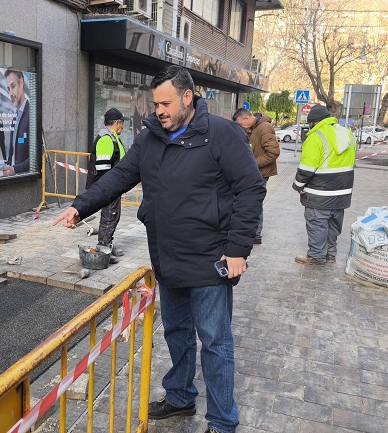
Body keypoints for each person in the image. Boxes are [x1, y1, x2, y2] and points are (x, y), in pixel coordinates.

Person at [53, 65, 265, 433]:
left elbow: (251, 190)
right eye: (156, 104)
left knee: (215, 342)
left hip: (210, 261)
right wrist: (79, 205)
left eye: (166, 103)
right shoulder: (150, 138)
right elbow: (118, 177)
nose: (159, 110)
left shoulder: (223, 134)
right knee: (177, 333)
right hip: (167, 259)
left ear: (188, 97)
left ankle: (222, 421)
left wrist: (237, 250)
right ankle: (180, 397)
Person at [292, 104, 356, 266]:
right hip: (342, 191)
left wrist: (298, 186)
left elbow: (306, 168)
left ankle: (316, 256)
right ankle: (330, 254)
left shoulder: (316, 137)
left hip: (320, 193)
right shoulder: (347, 133)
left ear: (313, 122)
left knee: (317, 224)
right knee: (333, 224)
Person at [232, 108, 280, 244]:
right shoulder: (253, 128)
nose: (241, 127)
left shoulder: (264, 127)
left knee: (255, 202)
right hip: (254, 172)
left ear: (246, 119)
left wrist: (252, 163)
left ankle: (256, 235)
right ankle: (253, 233)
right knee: (251, 202)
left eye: (240, 124)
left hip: (260, 173)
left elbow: (273, 153)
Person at [86, 108, 127, 256]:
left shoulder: (112, 137)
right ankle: (103, 247)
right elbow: (103, 169)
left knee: (112, 215)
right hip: (109, 187)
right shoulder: (106, 139)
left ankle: (107, 243)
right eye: (122, 123)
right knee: (110, 216)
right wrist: (109, 189)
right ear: (116, 123)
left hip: (113, 186)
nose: (122, 126)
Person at [1, 69, 31, 176]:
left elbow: (36, 157)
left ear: (21, 83)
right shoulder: (15, 119)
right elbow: (12, 154)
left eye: (13, 86)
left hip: (24, 180)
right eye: (8, 89)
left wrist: (15, 170)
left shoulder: (31, 115)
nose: (10, 94)